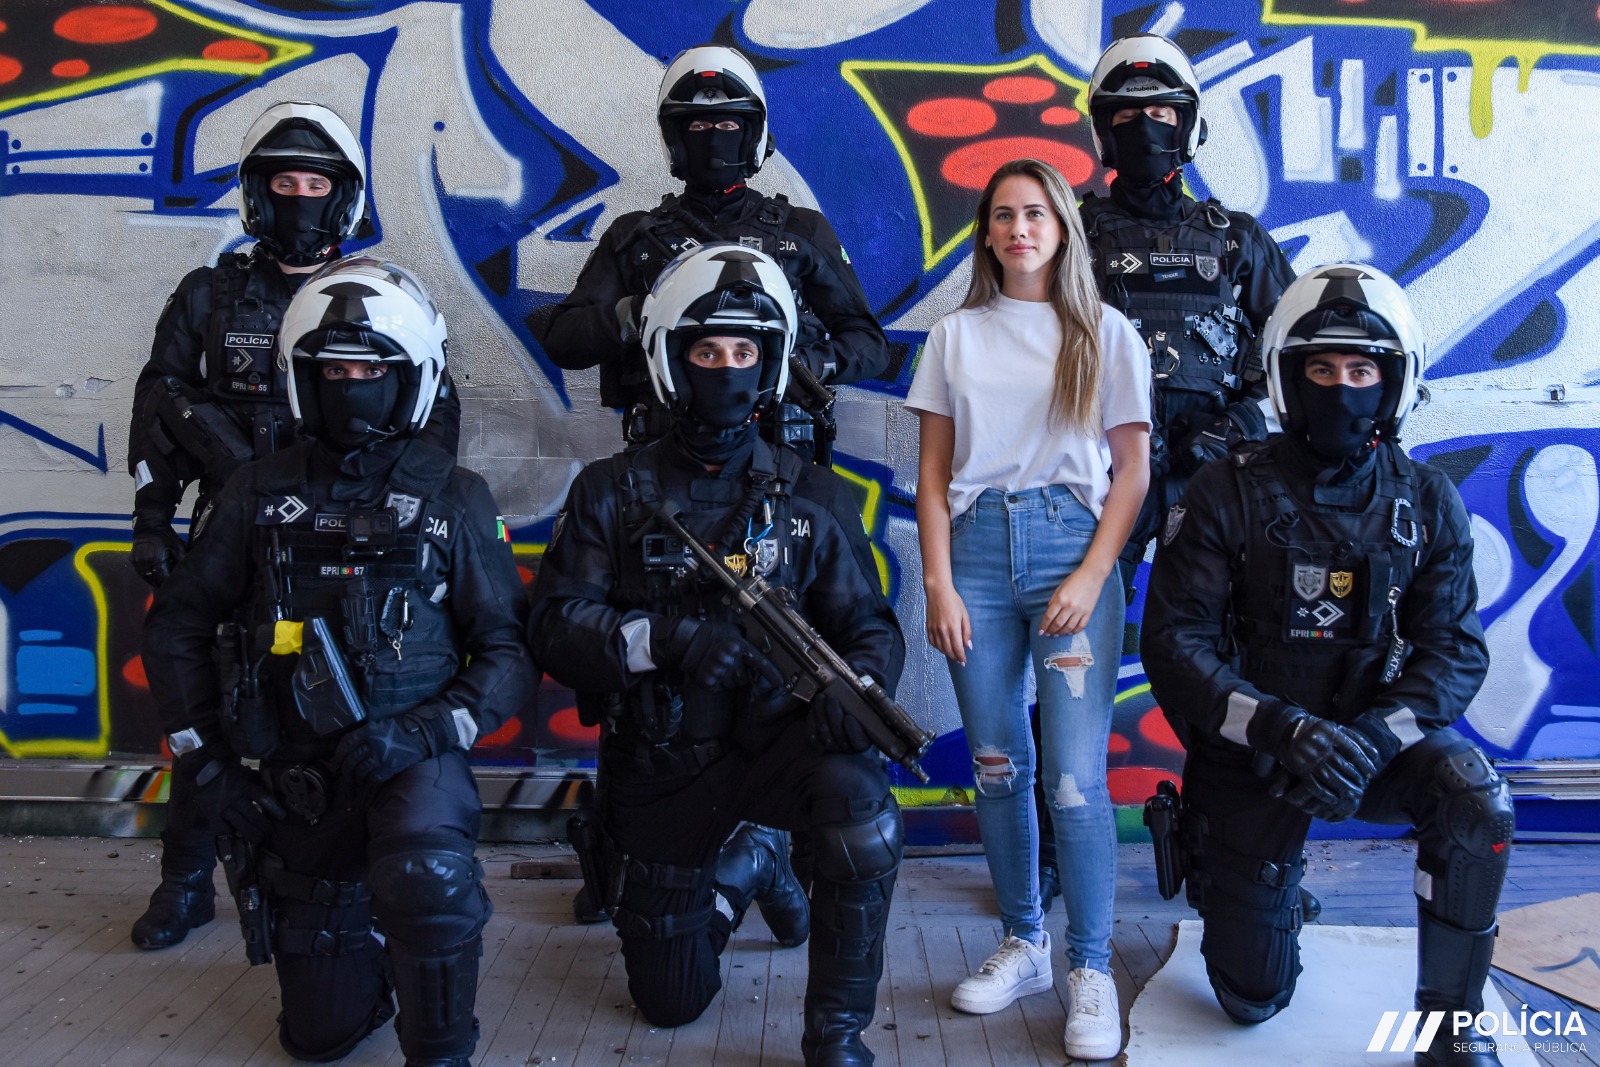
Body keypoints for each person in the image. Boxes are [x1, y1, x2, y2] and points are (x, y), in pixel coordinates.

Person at [141, 257, 534, 1066]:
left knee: (426, 875)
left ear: (410, 379)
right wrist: (209, 763)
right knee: (317, 1038)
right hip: (295, 773)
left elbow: (508, 650)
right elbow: (178, 627)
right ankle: (365, 950)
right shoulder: (255, 493)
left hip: (413, 759)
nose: (351, 386)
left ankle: (441, 1041)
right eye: (333, 371)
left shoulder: (455, 497)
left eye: (370, 371)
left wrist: (428, 730)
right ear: (301, 378)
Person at [527, 243, 904, 1067]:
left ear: (770, 364)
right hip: (662, 762)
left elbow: (869, 626)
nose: (727, 370)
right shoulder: (610, 490)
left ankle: (837, 1033)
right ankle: (747, 864)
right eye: (707, 352)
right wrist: (662, 642)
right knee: (671, 1003)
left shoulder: (811, 492)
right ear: (671, 359)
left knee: (862, 806)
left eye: (744, 352)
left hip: (777, 747)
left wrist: (863, 687)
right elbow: (553, 626)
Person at [1139, 264, 1513, 1066]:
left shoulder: (1426, 500)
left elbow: (1454, 652)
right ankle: (1242, 881)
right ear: (1287, 377)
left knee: (1475, 801)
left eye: (1361, 370)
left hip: (1372, 743)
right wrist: (1279, 727)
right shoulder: (1223, 490)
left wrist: (1375, 739)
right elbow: (1174, 644)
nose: (1341, 388)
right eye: (1320, 368)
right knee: (1251, 999)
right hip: (1253, 749)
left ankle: (1451, 1025)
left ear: (1394, 382)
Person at [126, 101, 460, 951]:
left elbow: (435, 414)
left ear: (342, 196)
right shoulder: (209, 295)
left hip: (352, 534)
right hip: (236, 531)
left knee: (348, 697)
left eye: (316, 183)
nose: (300, 198)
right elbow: (159, 402)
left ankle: (347, 873)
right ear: (256, 192)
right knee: (215, 696)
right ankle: (185, 878)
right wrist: (153, 516)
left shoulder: (382, 295)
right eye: (284, 182)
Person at [906, 158, 1151, 1061]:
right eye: (1004, 214)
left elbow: (1134, 473)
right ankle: (1025, 942)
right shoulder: (953, 337)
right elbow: (932, 477)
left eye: (1037, 213)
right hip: (973, 555)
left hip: (1069, 548)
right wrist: (938, 583)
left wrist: (1091, 573)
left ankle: (1091, 966)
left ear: (1062, 228)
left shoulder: (1105, 333)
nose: (1020, 228)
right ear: (986, 231)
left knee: (1075, 779)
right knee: (1000, 765)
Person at [532, 43, 888, 452]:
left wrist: (803, 365)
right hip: (662, 455)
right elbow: (563, 341)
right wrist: (641, 313)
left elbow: (870, 346)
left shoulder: (802, 231)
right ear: (676, 139)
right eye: (699, 127)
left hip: (779, 455)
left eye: (729, 125)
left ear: (753, 135)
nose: (714, 139)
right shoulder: (634, 236)